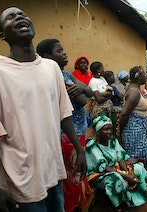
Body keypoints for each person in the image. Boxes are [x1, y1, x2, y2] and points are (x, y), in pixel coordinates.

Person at [0, 7, 86, 212]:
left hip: (53, 174)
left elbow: (64, 115)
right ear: (2, 35)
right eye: (10, 17)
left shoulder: (51, 68)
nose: (19, 17)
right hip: (19, 183)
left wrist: (79, 149)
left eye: (22, 14)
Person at [36, 38, 93, 212]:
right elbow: (83, 100)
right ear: (46, 56)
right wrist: (82, 90)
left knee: (75, 175)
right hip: (66, 134)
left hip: (77, 132)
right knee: (70, 177)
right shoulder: (55, 75)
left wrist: (82, 89)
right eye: (59, 51)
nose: (64, 53)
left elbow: (89, 92)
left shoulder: (66, 74)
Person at [86, 115, 147, 211]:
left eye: (110, 129)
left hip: (115, 168)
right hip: (99, 174)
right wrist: (125, 176)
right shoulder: (92, 146)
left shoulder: (112, 140)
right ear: (98, 132)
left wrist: (127, 172)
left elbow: (120, 156)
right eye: (105, 129)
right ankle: (118, 206)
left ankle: (132, 198)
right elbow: (104, 167)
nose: (109, 132)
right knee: (115, 179)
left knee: (138, 168)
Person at [120, 66, 147, 169]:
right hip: (134, 131)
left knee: (140, 158)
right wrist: (121, 131)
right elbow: (124, 114)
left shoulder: (136, 90)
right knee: (135, 159)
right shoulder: (134, 92)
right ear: (139, 77)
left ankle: (141, 180)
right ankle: (136, 181)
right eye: (144, 74)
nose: (146, 76)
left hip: (140, 129)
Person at [103, 70, 123, 139]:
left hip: (108, 110)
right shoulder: (112, 88)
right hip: (115, 111)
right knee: (117, 129)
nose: (114, 78)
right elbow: (120, 97)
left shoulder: (103, 87)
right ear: (108, 78)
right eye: (112, 76)